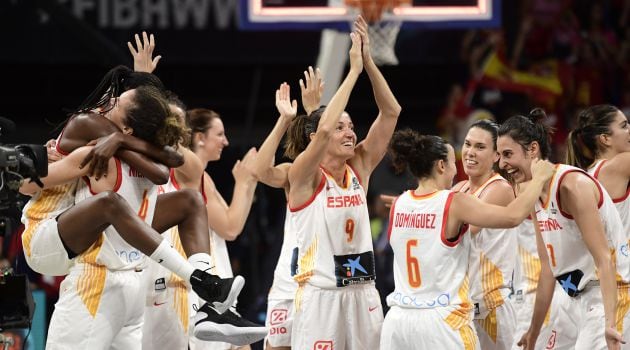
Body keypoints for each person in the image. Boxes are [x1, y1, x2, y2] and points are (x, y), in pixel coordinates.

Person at [20, 86, 242, 349]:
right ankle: (205, 287)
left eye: (116, 104)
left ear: (127, 129)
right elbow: (167, 164)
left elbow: (27, 185)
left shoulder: (95, 150)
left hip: (95, 276)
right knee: (190, 200)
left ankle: (199, 282)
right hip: (133, 282)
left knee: (109, 203)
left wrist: (40, 163)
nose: (108, 103)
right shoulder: (157, 164)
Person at [285, 16, 401, 349]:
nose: (350, 132)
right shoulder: (303, 175)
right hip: (321, 294)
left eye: (351, 126)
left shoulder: (359, 167)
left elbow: (391, 111)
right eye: (341, 127)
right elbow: (321, 130)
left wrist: (367, 63)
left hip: (363, 290)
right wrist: (351, 73)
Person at [380, 129, 554, 349]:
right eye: (454, 161)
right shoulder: (455, 201)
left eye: (479, 147)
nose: (459, 165)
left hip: (398, 319)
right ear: (441, 166)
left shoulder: (400, 203)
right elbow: (513, 216)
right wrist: (539, 178)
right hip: (442, 319)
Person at [497, 109, 629, 349]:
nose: (501, 163)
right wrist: (533, 332)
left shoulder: (572, 185)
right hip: (572, 297)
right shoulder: (534, 192)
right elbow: (548, 269)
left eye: (507, 154)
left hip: (608, 294)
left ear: (533, 149)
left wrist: (611, 324)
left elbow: (603, 260)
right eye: (499, 155)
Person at [252, 68, 323, 350]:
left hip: (323, 280)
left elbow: (326, 136)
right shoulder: (294, 173)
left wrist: (317, 111)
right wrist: (284, 121)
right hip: (288, 278)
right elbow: (260, 171)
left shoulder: (340, 172)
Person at [186, 106, 268, 349]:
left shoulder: (204, 177)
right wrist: (244, 183)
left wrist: (284, 122)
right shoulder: (194, 178)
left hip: (218, 280)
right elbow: (231, 228)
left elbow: (234, 223)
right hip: (202, 287)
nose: (226, 141)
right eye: (219, 134)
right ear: (200, 138)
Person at [450, 119, 518, 349]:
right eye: (468, 144)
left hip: (492, 307)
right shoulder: (459, 189)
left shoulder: (499, 188)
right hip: (464, 306)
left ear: (496, 156)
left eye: (480, 147)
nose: (470, 152)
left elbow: (462, 228)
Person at [566, 104, 630, 345]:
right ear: (604, 139)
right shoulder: (619, 166)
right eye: (624, 126)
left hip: (597, 290)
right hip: (617, 288)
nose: (629, 130)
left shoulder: (588, 173)